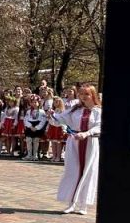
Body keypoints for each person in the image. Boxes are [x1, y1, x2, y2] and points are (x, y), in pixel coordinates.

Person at [50, 85, 101, 215]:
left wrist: (87, 133)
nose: (83, 97)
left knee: (88, 172)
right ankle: (71, 203)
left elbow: (99, 126)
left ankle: (83, 204)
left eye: (86, 94)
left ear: (93, 95)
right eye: (81, 94)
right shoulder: (74, 109)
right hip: (74, 143)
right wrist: (51, 115)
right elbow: (59, 120)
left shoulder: (98, 111)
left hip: (90, 143)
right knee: (73, 171)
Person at [22, 96, 47, 161]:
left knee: (36, 141)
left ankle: (35, 155)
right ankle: (29, 155)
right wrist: (30, 126)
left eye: (35, 102)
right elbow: (25, 120)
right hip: (30, 127)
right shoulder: (28, 111)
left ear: (39, 103)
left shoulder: (42, 111)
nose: (34, 104)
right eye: (32, 102)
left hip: (37, 127)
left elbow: (43, 120)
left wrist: (37, 127)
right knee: (28, 140)